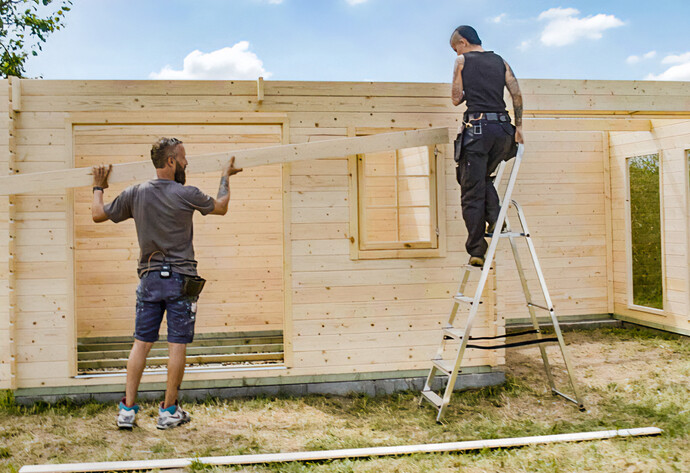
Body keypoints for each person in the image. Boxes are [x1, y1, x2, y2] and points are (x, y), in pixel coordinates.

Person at [91, 137, 243, 430]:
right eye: (183, 158)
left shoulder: (135, 193)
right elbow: (221, 206)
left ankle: (127, 411)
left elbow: (98, 214)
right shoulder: (187, 193)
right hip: (181, 281)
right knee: (177, 345)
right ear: (171, 162)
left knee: (141, 343)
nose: (186, 163)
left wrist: (99, 187)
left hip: (149, 280)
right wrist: (225, 176)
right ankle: (168, 411)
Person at [450, 25, 524, 267]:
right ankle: (495, 218)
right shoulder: (501, 61)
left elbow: (455, 98)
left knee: (470, 190)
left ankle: (477, 251)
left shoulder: (461, 61)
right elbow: (516, 94)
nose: (455, 52)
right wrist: (519, 127)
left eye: (455, 47)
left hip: (479, 131)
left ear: (462, 42)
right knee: (481, 178)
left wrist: (465, 86)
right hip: (504, 132)